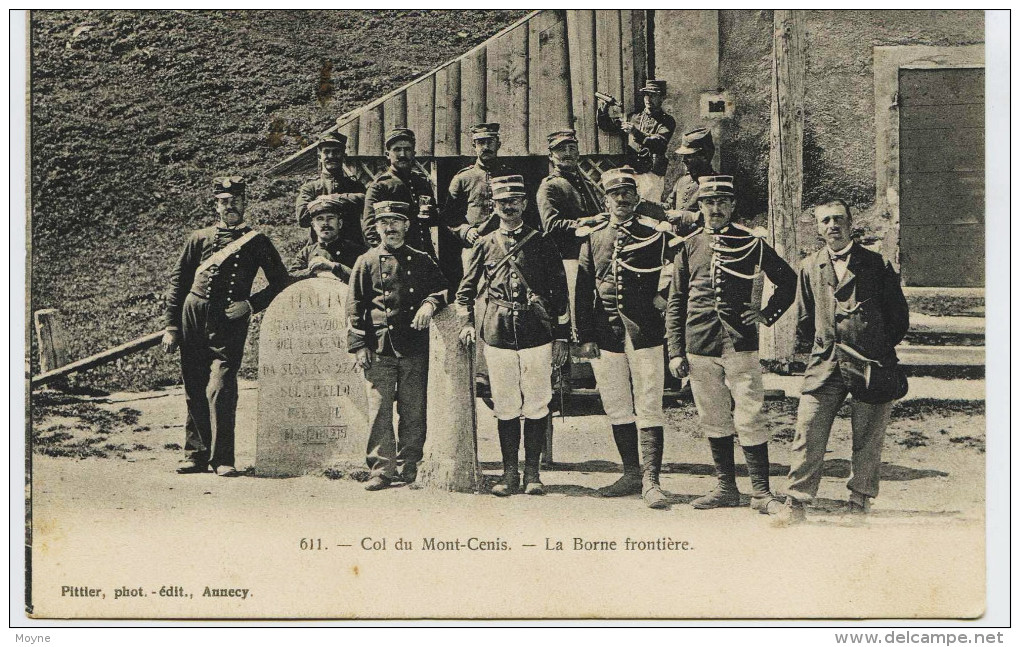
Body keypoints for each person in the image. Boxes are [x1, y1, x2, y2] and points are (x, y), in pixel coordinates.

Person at [769, 200, 910, 524]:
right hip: (826, 363)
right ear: (818, 228)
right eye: (826, 221)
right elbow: (806, 319)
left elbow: (898, 318)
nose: (833, 225)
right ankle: (796, 503)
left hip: (870, 364)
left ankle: (859, 502)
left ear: (851, 225)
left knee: (867, 436)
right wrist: (827, 343)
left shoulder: (876, 265)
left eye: (839, 220)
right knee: (808, 428)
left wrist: (872, 345)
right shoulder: (809, 266)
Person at [665, 175, 797, 511]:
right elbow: (677, 301)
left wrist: (767, 315)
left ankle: (762, 493)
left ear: (733, 205)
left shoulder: (751, 244)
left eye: (723, 201)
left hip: (740, 344)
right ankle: (726, 488)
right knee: (713, 415)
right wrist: (675, 350)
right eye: (709, 202)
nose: (716, 208)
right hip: (699, 343)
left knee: (750, 415)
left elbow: (787, 280)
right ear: (700, 206)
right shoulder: (688, 246)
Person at [162, 176, 291, 476]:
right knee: (194, 385)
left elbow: (281, 282)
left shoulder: (257, 241)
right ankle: (195, 454)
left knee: (221, 386)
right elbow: (178, 283)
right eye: (224, 201)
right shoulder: (199, 238)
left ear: (245, 203)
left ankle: (222, 458)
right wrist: (171, 326)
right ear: (216, 205)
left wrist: (250, 305)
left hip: (229, 320)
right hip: (192, 314)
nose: (229, 206)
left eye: (235, 201)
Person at [457, 176, 570, 496]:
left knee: (536, 403)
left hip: (536, 331)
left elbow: (560, 292)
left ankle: (532, 474)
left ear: (524, 204)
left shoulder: (542, 242)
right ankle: (509, 475)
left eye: (515, 201)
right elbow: (464, 291)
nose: (508, 207)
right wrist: (467, 323)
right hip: (498, 332)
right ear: (493, 206)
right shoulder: (485, 243)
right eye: (502, 202)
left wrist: (561, 337)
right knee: (505, 405)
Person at [574, 168, 674, 510]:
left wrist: (664, 297)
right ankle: (631, 472)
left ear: (637, 198)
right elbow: (582, 289)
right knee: (616, 404)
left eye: (627, 193)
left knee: (649, 403)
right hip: (606, 334)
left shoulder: (655, 234)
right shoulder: (593, 237)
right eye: (615, 195)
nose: (621, 199)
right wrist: (583, 335)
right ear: (606, 200)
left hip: (644, 331)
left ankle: (652, 481)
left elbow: (681, 271)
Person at [347, 201, 449, 491]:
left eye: (396, 222)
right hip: (378, 349)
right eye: (384, 223)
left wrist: (430, 304)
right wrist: (358, 345)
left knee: (413, 409)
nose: (390, 228)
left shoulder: (421, 259)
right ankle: (381, 469)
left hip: (413, 347)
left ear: (406, 225)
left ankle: (409, 465)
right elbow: (354, 306)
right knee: (379, 411)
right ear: (376, 227)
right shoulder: (365, 262)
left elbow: (442, 288)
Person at [536, 129, 604, 327]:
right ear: (551, 156)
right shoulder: (550, 186)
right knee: (576, 311)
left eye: (571, 148)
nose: (567, 153)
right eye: (560, 150)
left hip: (592, 257)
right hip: (569, 259)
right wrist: (589, 221)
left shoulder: (585, 183)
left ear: (578, 154)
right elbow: (551, 225)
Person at [443, 123, 512, 270]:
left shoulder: (509, 176)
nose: (486, 147)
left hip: (507, 246)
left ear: (498, 144)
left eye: (490, 142)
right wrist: (465, 231)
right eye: (481, 142)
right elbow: (449, 216)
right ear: (474, 145)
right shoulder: (462, 178)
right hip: (475, 245)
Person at [362, 128, 438, 259]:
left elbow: (434, 220)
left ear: (413, 153)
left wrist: (432, 213)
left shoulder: (421, 182)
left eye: (407, 149)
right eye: (397, 149)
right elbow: (370, 229)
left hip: (424, 254)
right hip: (397, 257)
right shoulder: (380, 186)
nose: (402, 154)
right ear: (387, 154)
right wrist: (389, 256)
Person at [596, 79, 677, 202]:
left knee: (650, 210)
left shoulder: (667, 121)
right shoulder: (633, 117)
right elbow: (608, 126)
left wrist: (635, 132)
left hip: (652, 173)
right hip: (632, 171)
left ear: (662, 98)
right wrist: (604, 108)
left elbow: (659, 143)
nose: (649, 99)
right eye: (646, 95)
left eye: (653, 95)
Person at [294, 132, 366, 244]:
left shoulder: (355, 186)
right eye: (327, 152)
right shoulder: (310, 187)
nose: (331, 156)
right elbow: (302, 218)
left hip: (353, 249)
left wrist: (332, 198)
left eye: (336, 152)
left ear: (344, 156)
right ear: (320, 157)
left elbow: (366, 203)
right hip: (321, 248)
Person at [288, 194, 366, 283]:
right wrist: (312, 272)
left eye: (330, 218)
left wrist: (334, 267)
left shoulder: (356, 251)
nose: (325, 223)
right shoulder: (306, 253)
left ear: (340, 223)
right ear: (313, 225)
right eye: (320, 219)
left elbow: (365, 280)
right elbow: (289, 277)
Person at [667, 127, 717, 213]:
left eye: (689, 156)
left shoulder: (715, 183)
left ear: (704, 156)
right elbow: (668, 207)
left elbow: (715, 216)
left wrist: (684, 217)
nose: (683, 160)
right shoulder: (682, 181)